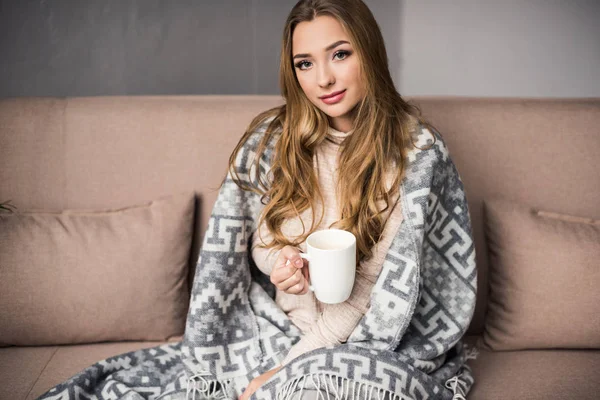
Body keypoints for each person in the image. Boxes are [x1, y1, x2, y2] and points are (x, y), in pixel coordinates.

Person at [228, 1, 476, 399]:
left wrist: (280, 375)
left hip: (368, 339)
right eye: (304, 63)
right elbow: (261, 241)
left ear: (370, 52)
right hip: (278, 326)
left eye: (340, 54)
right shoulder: (277, 138)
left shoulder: (415, 155)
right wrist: (282, 262)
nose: (324, 78)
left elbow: (363, 297)